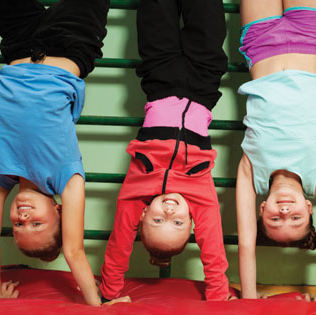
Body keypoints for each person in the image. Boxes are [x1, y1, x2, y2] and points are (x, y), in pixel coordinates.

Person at [0, 0, 126, 306]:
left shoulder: (1, 173)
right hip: (72, 42)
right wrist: (98, 307)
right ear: (59, 213)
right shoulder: (67, 180)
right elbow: (74, 251)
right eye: (36, 224)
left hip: (19, 44)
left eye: (17, 225)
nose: (24, 217)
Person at [99, 0, 232, 302]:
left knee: (156, 9)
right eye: (177, 222)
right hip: (204, 80)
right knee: (206, 13)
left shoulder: (134, 194)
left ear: (142, 215)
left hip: (159, 77)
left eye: (158, 221)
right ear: (191, 221)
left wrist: (109, 294)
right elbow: (213, 253)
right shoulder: (201, 196)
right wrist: (218, 298)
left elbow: (119, 247)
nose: (169, 212)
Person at [234, 0, 316, 301]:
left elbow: (245, 246)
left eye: (275, 220)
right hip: (308, 37)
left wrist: (249, 300)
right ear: (309, 209)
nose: (285, 213)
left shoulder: (250, 174)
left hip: (261, 39)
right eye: (296, 219)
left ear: (262, 210)